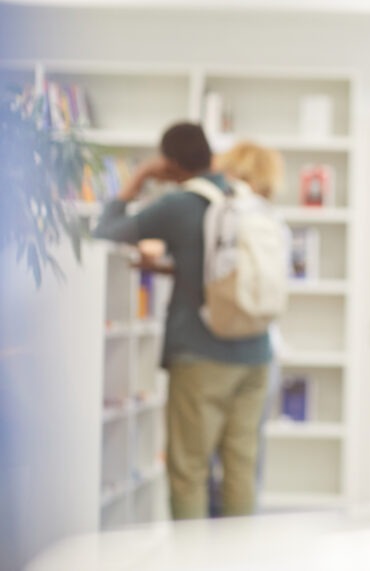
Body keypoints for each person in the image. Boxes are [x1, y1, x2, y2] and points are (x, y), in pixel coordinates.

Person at [93, 122, 272, 519]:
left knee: (189, 470)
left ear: (170, 164)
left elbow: (105, 233)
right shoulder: (241, 196)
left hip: (201, 355)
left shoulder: (180, 204)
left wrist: (137, 178)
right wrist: (174, 269)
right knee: (240, 468)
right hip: (256, 354)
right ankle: (240, 559)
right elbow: (220, 270)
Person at [205, 139, 288, 517]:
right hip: (266, 344)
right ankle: (242, 541)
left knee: (202, 458)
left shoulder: (225, 211)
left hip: (218, 341)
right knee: (248, 455)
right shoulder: (275, 220)